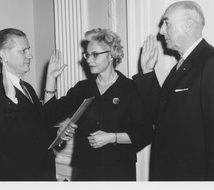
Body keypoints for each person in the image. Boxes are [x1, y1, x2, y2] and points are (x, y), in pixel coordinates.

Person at [133, 1, 214, 181]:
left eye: (167, 23)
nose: (161, 31)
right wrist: (147, 71)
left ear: (188, 25)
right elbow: (160, 116)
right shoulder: (181, 66)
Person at [44, 28, 153, 181]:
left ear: (111, 54)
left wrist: (112, 137)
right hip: (85, 171)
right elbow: (50, 115)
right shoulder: (83, 88)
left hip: (119, 171)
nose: (88, 59)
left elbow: (146, 132)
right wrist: (50, 78)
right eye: (87, 55)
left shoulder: (131, 88)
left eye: (95, 55)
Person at [0, 28, 76, 181]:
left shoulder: (27, 87)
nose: (30, 55)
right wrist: (9, 99)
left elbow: (37, 131)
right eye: (23, 51)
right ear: (4, 55)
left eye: (28, 49)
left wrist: (58, 134)